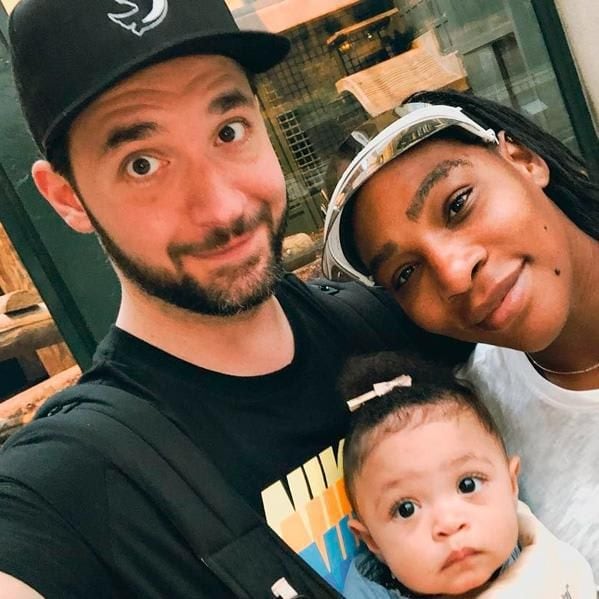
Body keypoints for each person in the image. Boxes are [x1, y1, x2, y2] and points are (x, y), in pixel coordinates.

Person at [0, 2, 468, 597]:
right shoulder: (74, 484)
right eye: (143, 164)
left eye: (228, 131)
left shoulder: (388, 325)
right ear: (66, 197)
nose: (222, 208)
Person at [322, 90, 599, 579]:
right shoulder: (467, 426)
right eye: (406, 274)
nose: (452, 273)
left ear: (523, 159)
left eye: (458, 204)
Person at [338, 351, 595, 598]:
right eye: (406, 509)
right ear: (372, 541)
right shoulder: (368, 592)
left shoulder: (542, 554)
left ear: (511, 484)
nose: (449, 524)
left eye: (468, 485)